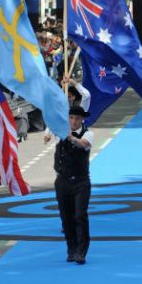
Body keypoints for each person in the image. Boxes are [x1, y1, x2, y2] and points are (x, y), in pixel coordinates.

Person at [52, 105, 95, 264]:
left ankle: (82, 251)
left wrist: (70, 137)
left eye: (77, 118)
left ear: (82, 119)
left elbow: (83, 144)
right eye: (71, 117)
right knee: (66, 217)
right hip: (62, 181)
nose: (74, 121)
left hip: (80, 182)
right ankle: (71, 249)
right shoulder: (60, 132)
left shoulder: (88, 134)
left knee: (79, 215)